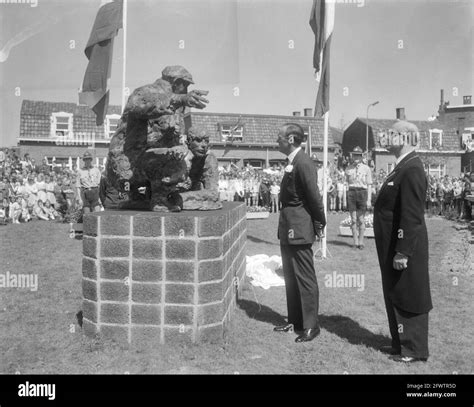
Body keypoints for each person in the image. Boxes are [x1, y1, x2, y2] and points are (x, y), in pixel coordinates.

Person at [373, 120, 432, 363]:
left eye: (392, 134)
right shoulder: (401, 167)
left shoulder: (412, 169)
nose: (386, 137)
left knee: (408, 291)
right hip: (391, 245)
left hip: (403, 247)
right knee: (395, 291)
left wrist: (403, 252)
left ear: (407, 138)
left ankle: (414, 349)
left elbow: (412, 214)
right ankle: (399, 343)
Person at [273, 123, 326, 343]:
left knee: (304, 277)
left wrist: (319, 223)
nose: (277, 141)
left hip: (300, 227)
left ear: (292, 139)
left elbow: (314, 197)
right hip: (288, 226)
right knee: (291, 277)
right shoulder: (293, 162)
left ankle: (311, 325)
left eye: (280, 138)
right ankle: (295, 319)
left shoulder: (303, 163)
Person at [344, 146, 372, 249]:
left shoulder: (366, 169)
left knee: (361, 219)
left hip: (362, 193)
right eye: (354, 155)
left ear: (361, 157)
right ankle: (355, 242)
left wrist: (369, 199)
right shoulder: (348, 168)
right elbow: (346, 183)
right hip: (352, 193)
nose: (356, 157)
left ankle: (361, 242)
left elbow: (369, 184)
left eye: (358, 155)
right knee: (354, 219)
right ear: (352, 156)